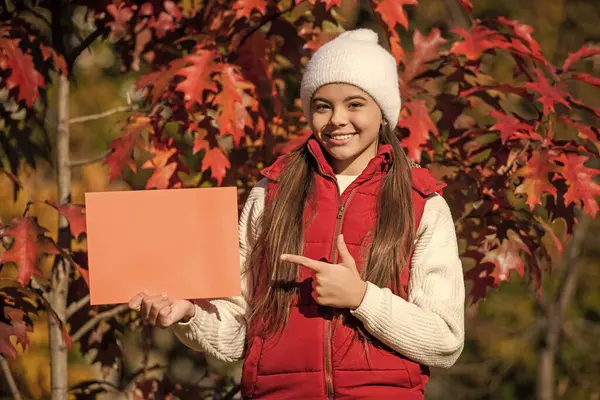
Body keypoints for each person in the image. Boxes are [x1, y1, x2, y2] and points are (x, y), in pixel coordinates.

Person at [128, 28, 465, 399]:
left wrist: (361, 298)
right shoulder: (270, 195)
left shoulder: (422, 203)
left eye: (355, 104)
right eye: (323, 105)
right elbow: (240, 334)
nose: (337, 119)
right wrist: (189, 314)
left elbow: (445, 341)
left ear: (383, 113)